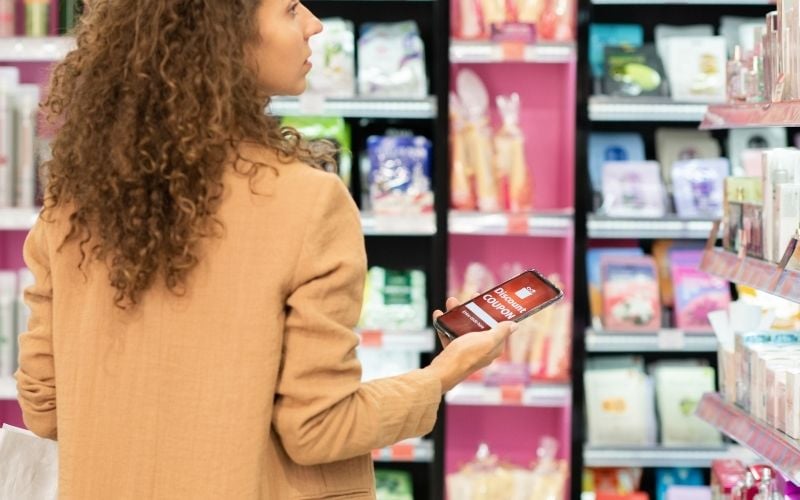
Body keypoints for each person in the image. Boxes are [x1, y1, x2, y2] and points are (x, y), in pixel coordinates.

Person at [14, 1, 517, 498]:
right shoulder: (307, 203)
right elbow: (320, 429)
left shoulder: (71, 203)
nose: (315, 25)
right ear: (227, 37)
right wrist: (445, 373)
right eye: (291, 9)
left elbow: (44, 406)